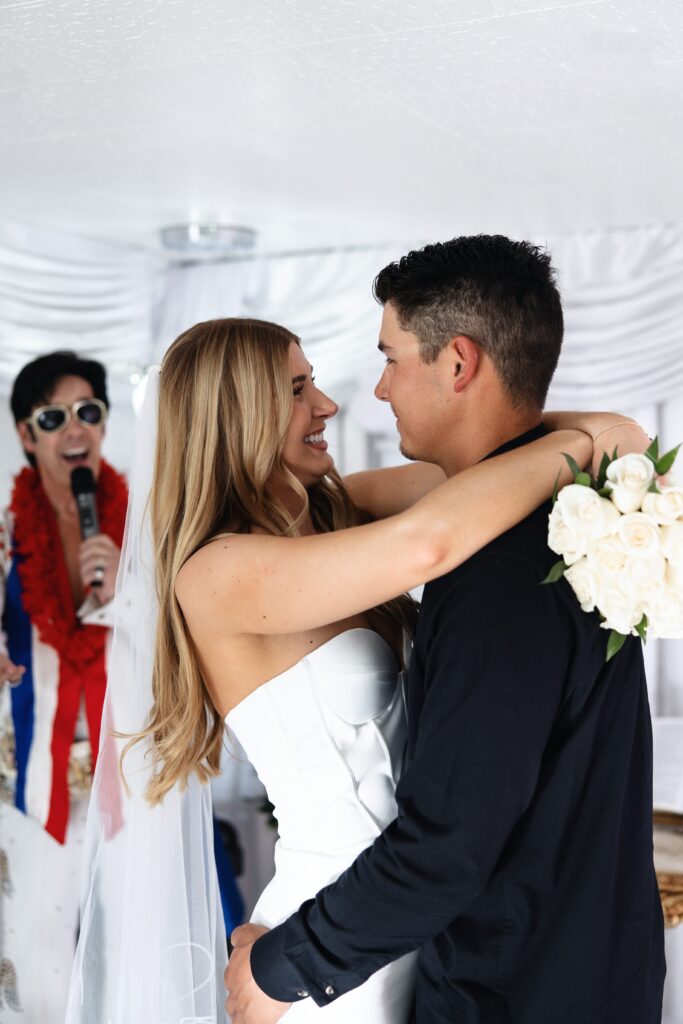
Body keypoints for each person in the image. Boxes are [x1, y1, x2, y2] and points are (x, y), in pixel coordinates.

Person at [225, 236, 665, 1024]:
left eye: (390, 358)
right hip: (590, 967)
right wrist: (570, 443)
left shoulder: (500, 564)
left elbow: (447, 845)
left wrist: (285, 965)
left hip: (513, 989)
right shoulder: (576, 515)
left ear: (457, 364)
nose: (376, 390)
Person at [0, 351, 127, 1022]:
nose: (74, 429)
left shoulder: (142, 527)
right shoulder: (4, 535)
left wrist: (127, 592)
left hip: (129, 773)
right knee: (39, 956)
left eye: (88, 412)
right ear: (26, 436)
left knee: (125, 949)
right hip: (33, 782)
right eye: (53, 417)